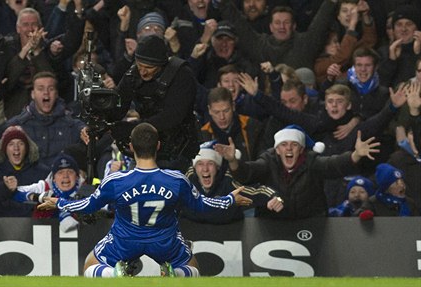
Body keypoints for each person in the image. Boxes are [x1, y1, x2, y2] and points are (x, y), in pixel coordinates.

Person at [37, 123, 252, 277]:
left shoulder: (116, 180)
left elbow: (90, 204)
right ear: (158, 146)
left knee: (90, 265)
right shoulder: (176, 180)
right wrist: (229, 200)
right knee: (193, 267)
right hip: (164, 241)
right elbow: (201, 204)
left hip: (125, 240)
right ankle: (175, 273)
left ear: (130, 146)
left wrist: (59, 203)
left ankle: (114, 274)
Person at [215, 124, 380, 219]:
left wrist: (356, 154)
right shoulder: (268, 161)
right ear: (277, 150)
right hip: (274, 225)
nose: (288, 149)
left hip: (311, 224)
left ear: (301, 149)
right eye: (283, 145)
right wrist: (232, 160)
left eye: (293, 145)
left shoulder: (312, 161)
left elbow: (334, 165)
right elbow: (246, 174)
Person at [112, 35, 199, 172]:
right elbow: (117, 105)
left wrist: (132, 129)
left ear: (161, 65)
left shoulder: (182, 75)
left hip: (177, 151)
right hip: (145, 149)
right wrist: (100, 126)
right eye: (139, 65)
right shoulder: (133, 74)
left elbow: (172, 117)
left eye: (148, 67)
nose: (143, 71)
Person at [0, 71, 86, 169]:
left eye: (50, 89)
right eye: (40, 89)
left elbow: (85, 133)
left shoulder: (71, 124)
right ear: (33, 94)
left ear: (56, 94)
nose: (46, 93)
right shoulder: (19, 123)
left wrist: (87, 132)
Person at [183, 141, 283, 223]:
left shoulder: (228, 181)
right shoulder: (187, 180)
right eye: (200, 164)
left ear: (217, 167)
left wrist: (275, 197)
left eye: (210, 163)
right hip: (193, 233)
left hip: (230, 234)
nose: (205, 169)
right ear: (194, 167)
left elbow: (257, 191)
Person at [15, 153, 86, 232]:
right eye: (60, 172)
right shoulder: (44, 187)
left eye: (70, 172)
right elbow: (14, 192)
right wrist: (36, 197)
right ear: (54, 178)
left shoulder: (85, 188)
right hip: (42, 235)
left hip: (81, 237)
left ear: (77, 176)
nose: (65, 176)